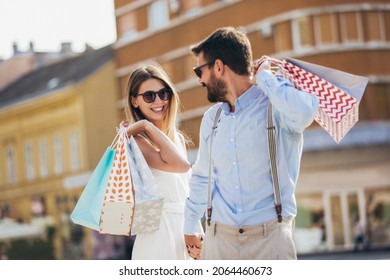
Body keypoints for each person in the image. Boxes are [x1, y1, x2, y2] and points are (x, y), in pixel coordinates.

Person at [184, 26, 318, 260]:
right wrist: (189, 223)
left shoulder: (275, 106)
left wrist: (265, 77)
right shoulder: (211, 119)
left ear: (218, 67)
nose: (199, 81)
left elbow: (306, 111)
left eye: (199, 71)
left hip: (270, 242)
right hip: (219, 242)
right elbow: (202, 176)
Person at [123, 63, 202, 260]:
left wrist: (198, 235)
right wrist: (146, 126)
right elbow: (182, 166)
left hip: (187, 230)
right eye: (149, 96)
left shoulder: (176, 138)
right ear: (134, 101)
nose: (158, 100)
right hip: (158, 236)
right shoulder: (137, 142)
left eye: (163, 93)